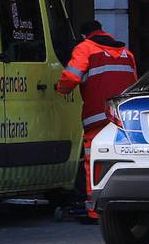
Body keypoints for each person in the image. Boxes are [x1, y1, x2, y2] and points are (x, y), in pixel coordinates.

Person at [57, 20, 137, 221]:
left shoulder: (85, 49)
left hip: (96, 118)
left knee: (93, 162)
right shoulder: (127, 54)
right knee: (121, 161)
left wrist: (60, 89)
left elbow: (71, 77)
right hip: (123, 119)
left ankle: (94, 210)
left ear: (84, 35)